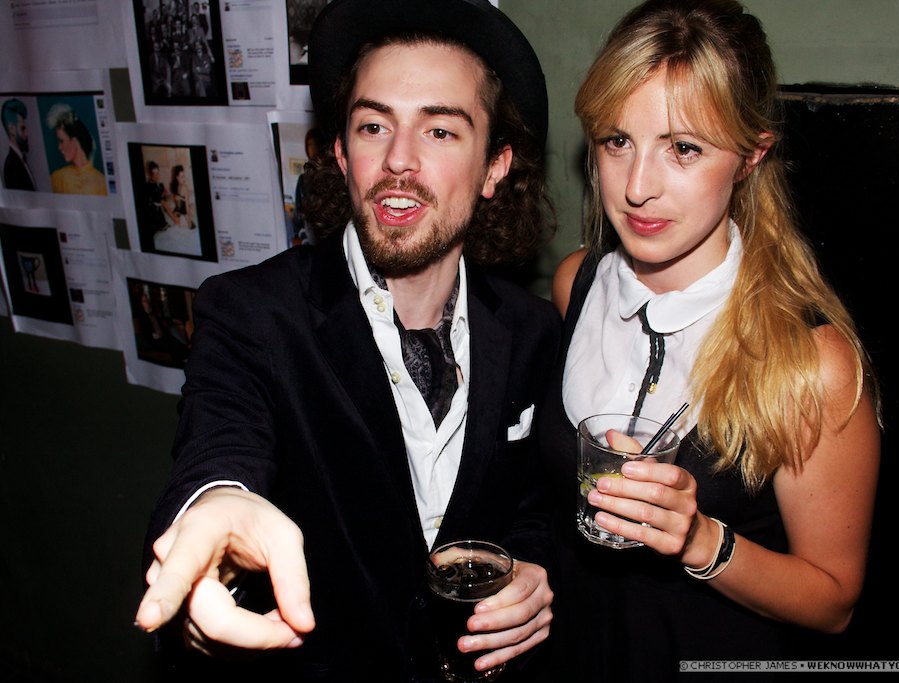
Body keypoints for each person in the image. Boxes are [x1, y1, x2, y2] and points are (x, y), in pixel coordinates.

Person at [133, 0, 558, 680]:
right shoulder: (251, 314)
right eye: (372, 126)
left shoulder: (531, 330)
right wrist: (214, 507)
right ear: (341, 151)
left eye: (440, 131)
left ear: (494, 167)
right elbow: (220, 445)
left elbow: (534, 502)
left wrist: (533, 568)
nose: (397, 160)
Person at [536, 0, 882, 679]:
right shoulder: (576, 283)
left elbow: (834, 602)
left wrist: (700, 540)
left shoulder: (811, 361)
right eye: (617, 141)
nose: (637, 187)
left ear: (751, 156)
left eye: (684, 148)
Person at [46, 103, 107, 196]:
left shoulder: (102, 183)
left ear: (74, 141)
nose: (59, 147)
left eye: (61, 141)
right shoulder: (57, 178)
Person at [2, 98, 36, 191]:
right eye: (23, 128)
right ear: (11, 129)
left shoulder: (19, 160)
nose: (27, 134)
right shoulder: (11, 165)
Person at [169, 164, 196, 229]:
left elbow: (181, 203)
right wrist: (189, 221)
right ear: (177, 177)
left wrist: (181, 199)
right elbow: (184, 206)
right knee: (192, 206)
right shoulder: (181, 187)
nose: (184, 179)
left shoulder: (179, 186)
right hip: (181, 211)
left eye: (184, 176)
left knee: (192, 205)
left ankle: (184, 220)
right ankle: (185, 221)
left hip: (180, 211)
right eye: (181, 177)